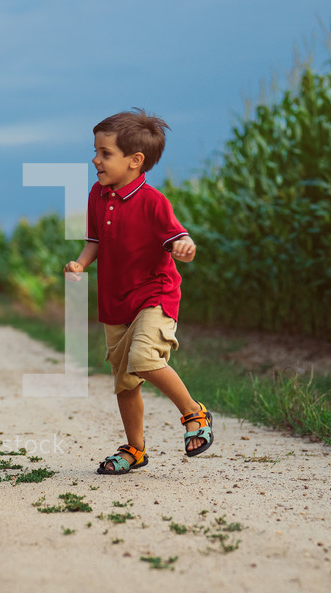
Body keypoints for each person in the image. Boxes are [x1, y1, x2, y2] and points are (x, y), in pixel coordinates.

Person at [64, 109, 213, 475]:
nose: (95, 159)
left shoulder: (152, 201)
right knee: (125, 383)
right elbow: (95, 240)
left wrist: (186, 246)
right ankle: (135, 449)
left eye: (105, 153)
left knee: (144, 361)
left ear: (135, 161)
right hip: (115, 304)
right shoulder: (98, 196)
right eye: (95, 151)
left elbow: (178, 234)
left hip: (154, 295)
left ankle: (194, 413)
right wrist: (81, 263)